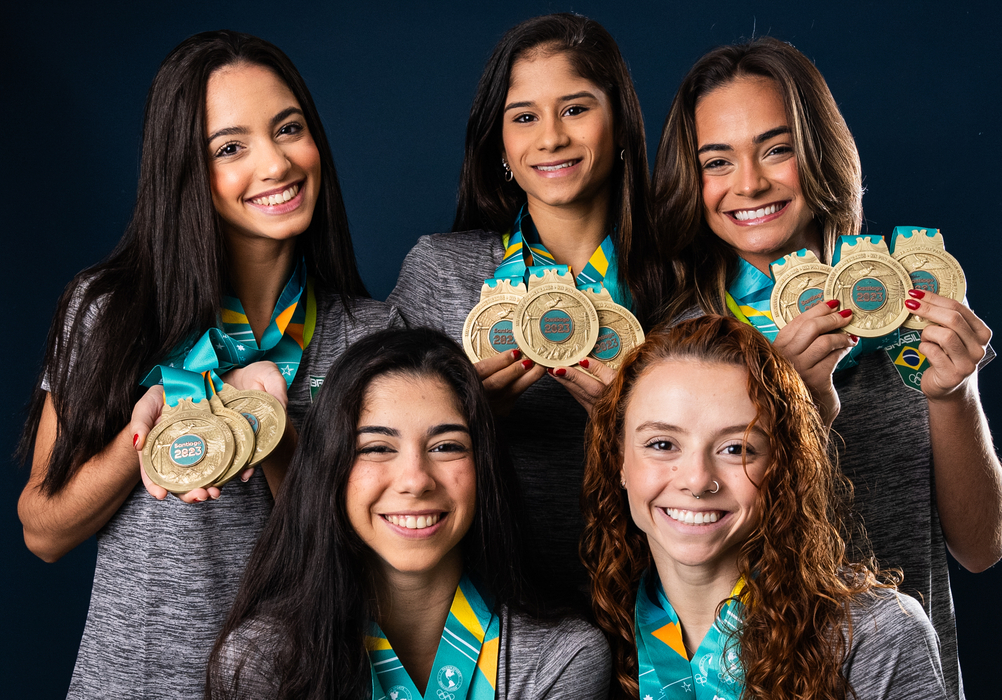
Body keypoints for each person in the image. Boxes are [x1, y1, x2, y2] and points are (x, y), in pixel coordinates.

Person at [15, 31, 400, 699]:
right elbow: (42, 531)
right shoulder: (107, 310)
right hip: (128, 685)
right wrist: (146, 439)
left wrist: (274, 428)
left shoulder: (371, 335)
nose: (276, 164)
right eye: (231, 148)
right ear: (186, 170)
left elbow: (364, 559)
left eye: (289, 129)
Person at [647, 38, 1002, 696]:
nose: (750, 182)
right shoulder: (679, 350)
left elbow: (981, 547)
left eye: (776, 148)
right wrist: (789, 412)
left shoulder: (909, 308)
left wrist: (956, 395)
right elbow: (690, 562)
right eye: (717, 161)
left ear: (820, 153)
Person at [388, 13, 657, 603]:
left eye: (576, 108)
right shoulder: (440, 273)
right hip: (490, 622)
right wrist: (468, 421)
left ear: (620, 124)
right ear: (500, 142)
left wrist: (630, 427)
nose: (551, 137)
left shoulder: (686, 286)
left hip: (660, 608)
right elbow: (376, 455)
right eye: (524, 116)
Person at [207, 328, 610, 699]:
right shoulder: (260, 662)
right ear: (330, 470)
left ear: (484, 465)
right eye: (377, 448)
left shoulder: (562, 657)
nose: (416, 481)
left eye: (446, 446)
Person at [582, 315, 946, 700]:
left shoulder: (877, 636)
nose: (697, 480)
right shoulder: (586, 645)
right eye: (662, 444)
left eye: (736, 449)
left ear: (780, 466)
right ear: (619, 459)